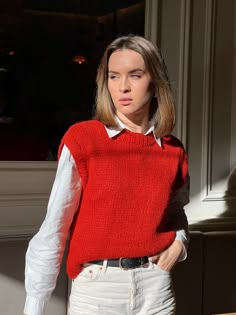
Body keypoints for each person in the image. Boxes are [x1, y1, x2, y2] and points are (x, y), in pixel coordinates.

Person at [24, 35, 190, 315]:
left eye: (135, 75)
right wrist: (34, 307)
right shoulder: (83, 140)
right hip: (97, 291)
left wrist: (180, 242)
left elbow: (175, 211)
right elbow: (54, 229)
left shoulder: (173, 149)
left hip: (156, 287)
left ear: (155, 83)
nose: (123, 87)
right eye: (114, 77)